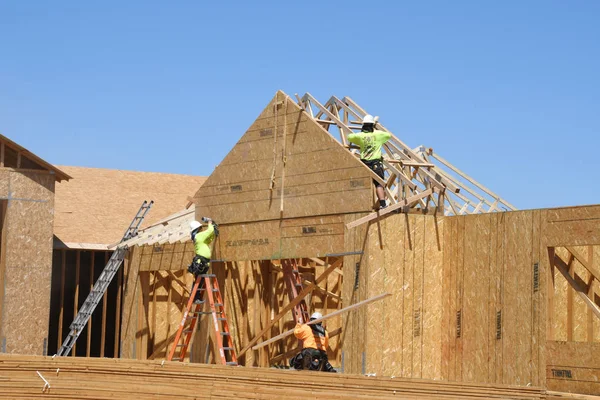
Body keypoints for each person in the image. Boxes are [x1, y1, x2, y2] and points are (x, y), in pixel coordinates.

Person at [348, 114, 392, 209]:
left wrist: (361, 133)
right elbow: (389, 135)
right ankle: (383, 204)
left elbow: (349, 137)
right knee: (379, 184)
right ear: (373, 125)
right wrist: (376, 130)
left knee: (362, 183)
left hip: (365, 164)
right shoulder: (378, 135)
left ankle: (361, 204)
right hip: (376, 163)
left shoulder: (360, 136)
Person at [188, 218, 218, 303]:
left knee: (199, 281)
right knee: (198, 281)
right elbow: (209, 231)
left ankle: (195, 298)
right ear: (197, 229)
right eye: (200, 228)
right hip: (200, 262)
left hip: (203, 262)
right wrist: (209, 223)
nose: (201, 229)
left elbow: (209, 239)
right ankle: (194, 298)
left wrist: (213, 233)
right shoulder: (198, 236)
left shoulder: (199, 238)